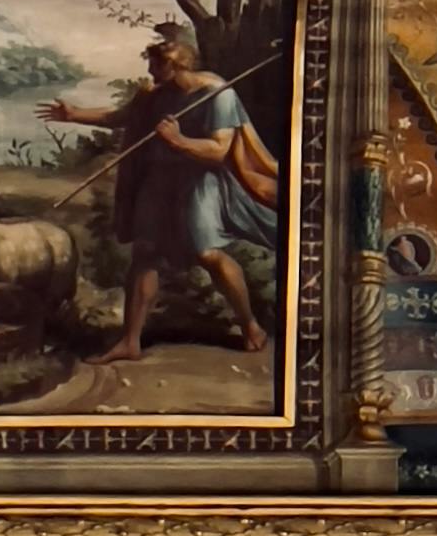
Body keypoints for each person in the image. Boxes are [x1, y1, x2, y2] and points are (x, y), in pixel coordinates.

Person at [43, 33, 280, 361]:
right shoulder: (158, 96)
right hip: (159, 182)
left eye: (156, 64)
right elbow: (118, 118)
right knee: (145, 256)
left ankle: (251, 325)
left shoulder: (216, 95)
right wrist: (74, 114)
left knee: (208, 253)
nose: (151, 71)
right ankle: (131, 341)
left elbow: (218, 151)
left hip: (199, 182)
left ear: (177, 63)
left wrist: (179, 140)